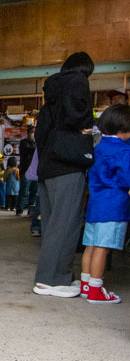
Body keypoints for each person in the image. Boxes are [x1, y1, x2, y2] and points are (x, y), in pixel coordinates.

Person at [33, 52, 95, 298]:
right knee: (66, 224)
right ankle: (51, 280)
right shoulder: (78, 82)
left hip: (48, 165)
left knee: (52, 224)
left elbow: (40, 134)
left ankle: (60, 277)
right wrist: (84, 125)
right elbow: (76, 113)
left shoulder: (51, 92)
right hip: (68, 165)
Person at [79, 104, 130, 304]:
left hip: (95, 203)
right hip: (113, 205)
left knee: (90, 246)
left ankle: (86, 285)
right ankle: (96, 290)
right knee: (103, 247)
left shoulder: (98, 146)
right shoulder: (123, 150)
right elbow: (127, 177)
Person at [16, 126, 37, 216]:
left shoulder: (37, 143)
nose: (33, 134)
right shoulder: (24, 143)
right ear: (28, 133)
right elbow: (28, 150)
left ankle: (31, 210)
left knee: (34, 192)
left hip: (36, 172)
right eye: (32, 132)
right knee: (24, 191)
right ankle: (19, 210)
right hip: (26, 171)